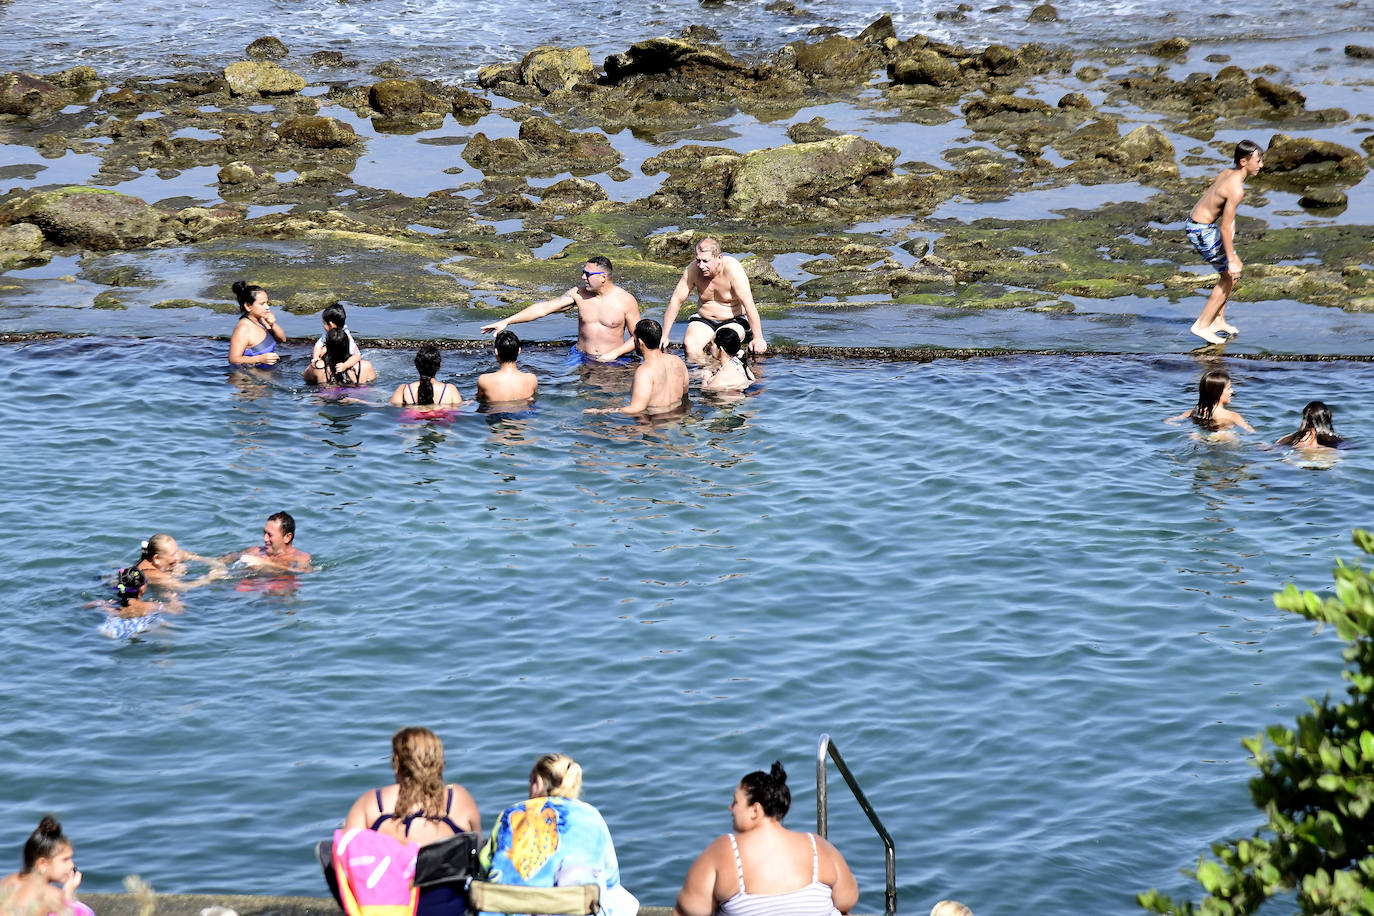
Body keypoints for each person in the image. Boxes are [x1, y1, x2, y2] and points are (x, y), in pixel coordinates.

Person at [671, 762, 857, 916]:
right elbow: (847, 900)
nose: (730, 808)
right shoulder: (817, 846)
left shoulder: (724, 850)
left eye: (735, 802)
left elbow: (688, 910)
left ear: (755, 810)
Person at [339, 727, 482, 916]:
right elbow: (478, 856)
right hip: (449, 910)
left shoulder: (372, 804)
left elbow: (346, 865)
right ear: (438, 761)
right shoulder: (459, 800)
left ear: (397, 763)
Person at [480, 753, 637, 916]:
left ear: (538, 782)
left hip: (513, 908)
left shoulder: (512, 814)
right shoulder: (591, 815)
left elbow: (485, 864)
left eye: (530, 781)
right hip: (575, 907)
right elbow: (611, 878)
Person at [480, 257, 640, 363]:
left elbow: (638, 337)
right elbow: (544, 308)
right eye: (583, 272)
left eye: (587, 274)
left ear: (603, 277)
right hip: (580, 356)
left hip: (613, 359)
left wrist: (614, 354)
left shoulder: (625, 301)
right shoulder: (578, 294)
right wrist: (507, 321)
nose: (583, 277)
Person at [1185, 139, 1264, 345]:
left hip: (1200, 225)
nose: (1261, 165)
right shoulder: (1236, 188)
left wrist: (1233, 254)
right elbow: (1225, 226)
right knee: (1230, 275)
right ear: (1244, 161)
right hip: (1201, 229)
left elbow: (1226, 218)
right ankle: (1201, 325)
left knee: (1233, 273)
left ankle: (1217, 320)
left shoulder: (1227, 173)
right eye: (1258, 160)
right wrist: (1230, 258)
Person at [662, 238, 767, 363]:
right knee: (690, 346)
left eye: (706, 261)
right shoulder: (693, 270)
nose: (701, 266)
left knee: (719, 346)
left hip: (732, 320)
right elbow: (676, 300)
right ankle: (705, 376)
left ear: (719, 258)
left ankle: (721, 375)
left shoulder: (732, 269)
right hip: (704, 319)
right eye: (698, 260)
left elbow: (748, 303)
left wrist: (758, 337)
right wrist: (665, 335)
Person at [585, 319, 688, 416]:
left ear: (640, 343)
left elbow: (636, 409)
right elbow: (685, 394)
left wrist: (600, 411)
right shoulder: (678, 361)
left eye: (634, 339)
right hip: (677, 416)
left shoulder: (644, 371)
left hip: (654, 422)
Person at [0, 816, 91, 916]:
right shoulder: (51, 895)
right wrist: (67, 891)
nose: (72, 865)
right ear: (42, 864)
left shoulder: (6, 881)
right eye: (65, 860)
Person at [1167, 367, 1253, 433]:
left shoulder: (1193, 412)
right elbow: (1252, 434)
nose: (1232, 391)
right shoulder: (1232, 416)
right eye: (1228, 388)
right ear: (1217, 392)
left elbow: (1168, 421)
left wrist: (1178, 425)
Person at [134, 533, 227, 590]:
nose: (177, 557)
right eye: (173, 555)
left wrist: (209, 561)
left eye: (176, 551)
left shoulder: (165, 556)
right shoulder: (152, 574)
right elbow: (184, 587)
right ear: (156, 558)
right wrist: (210, 577)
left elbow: (185, 554)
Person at [227, 280, 287, 367]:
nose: (267, 307)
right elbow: (233, 359)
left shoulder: (262, 321)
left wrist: (273, 324)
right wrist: (259, 359)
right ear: (248, 306)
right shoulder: (243, 329)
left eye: (267, 303)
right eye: (262, 304)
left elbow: (282, 340)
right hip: (248, 376)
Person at [233, 511, 311, 572]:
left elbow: (303, 571)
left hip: (279, 586)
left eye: (270, 535)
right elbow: (229, 557)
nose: (265, 538)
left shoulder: (300, 557)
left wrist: (265, 563)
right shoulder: (256, 550)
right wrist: (221, 566)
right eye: (264, 533)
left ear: (287, 537)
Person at [476, 330, 538, 405]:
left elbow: (479, 400)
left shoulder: (484, 380)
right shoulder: (532, 379)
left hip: (497, 414)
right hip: (523, 414)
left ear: (496, 352)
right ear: (519, 350)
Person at [391, 344, 463, 408]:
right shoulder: (450, 390)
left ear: (416, 365)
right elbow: (458, 413)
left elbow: (392, 409)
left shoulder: (403, 390)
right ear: (439, 366)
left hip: (413, 422)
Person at [305, 326, 377, 386]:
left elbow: (305, 378)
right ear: (348, 345)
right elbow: (373, 384)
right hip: (356, 396)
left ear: (327, 347)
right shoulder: (366, 366)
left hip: (328, 396)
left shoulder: (317, 367)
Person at [311, 304, 361, 377]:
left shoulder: (346, 337)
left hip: (344, 358)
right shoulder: (326, 333)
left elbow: (357, 355)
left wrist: (345, 365)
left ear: (331, 324)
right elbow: (318, 345)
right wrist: (316, 358)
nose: (323, 325)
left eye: (324, 323)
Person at [701, 326, 755, 392]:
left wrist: (705, 379)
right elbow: (752, 379)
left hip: (728, 400)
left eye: (712, 344)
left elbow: (706, 391)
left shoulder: (723, 375)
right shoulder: (740, 363)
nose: (710, 347)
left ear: (721, 349)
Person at [1276, 400, 1344, 449]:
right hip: (1325, 459)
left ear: (1304, 417)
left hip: (1299, 460)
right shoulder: (1335, 439)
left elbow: (1271, 449)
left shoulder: (1289, 439)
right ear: (1328, 417)